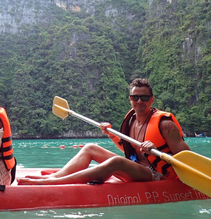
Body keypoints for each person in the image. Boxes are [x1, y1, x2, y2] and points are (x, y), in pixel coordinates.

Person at [17, 78, 189, 185]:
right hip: (136, 168)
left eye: (144, 97)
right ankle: (56, 177)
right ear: (130, 100)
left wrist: (156, 151)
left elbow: (187, 158)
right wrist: (111, 134)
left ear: (151, 99)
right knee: (90, 147)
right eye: (135, 97)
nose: (139, 101)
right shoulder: (131, 120)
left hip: (157, 175)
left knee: (116, 162)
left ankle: (56, 182)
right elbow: (128, 150)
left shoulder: (165, 124)